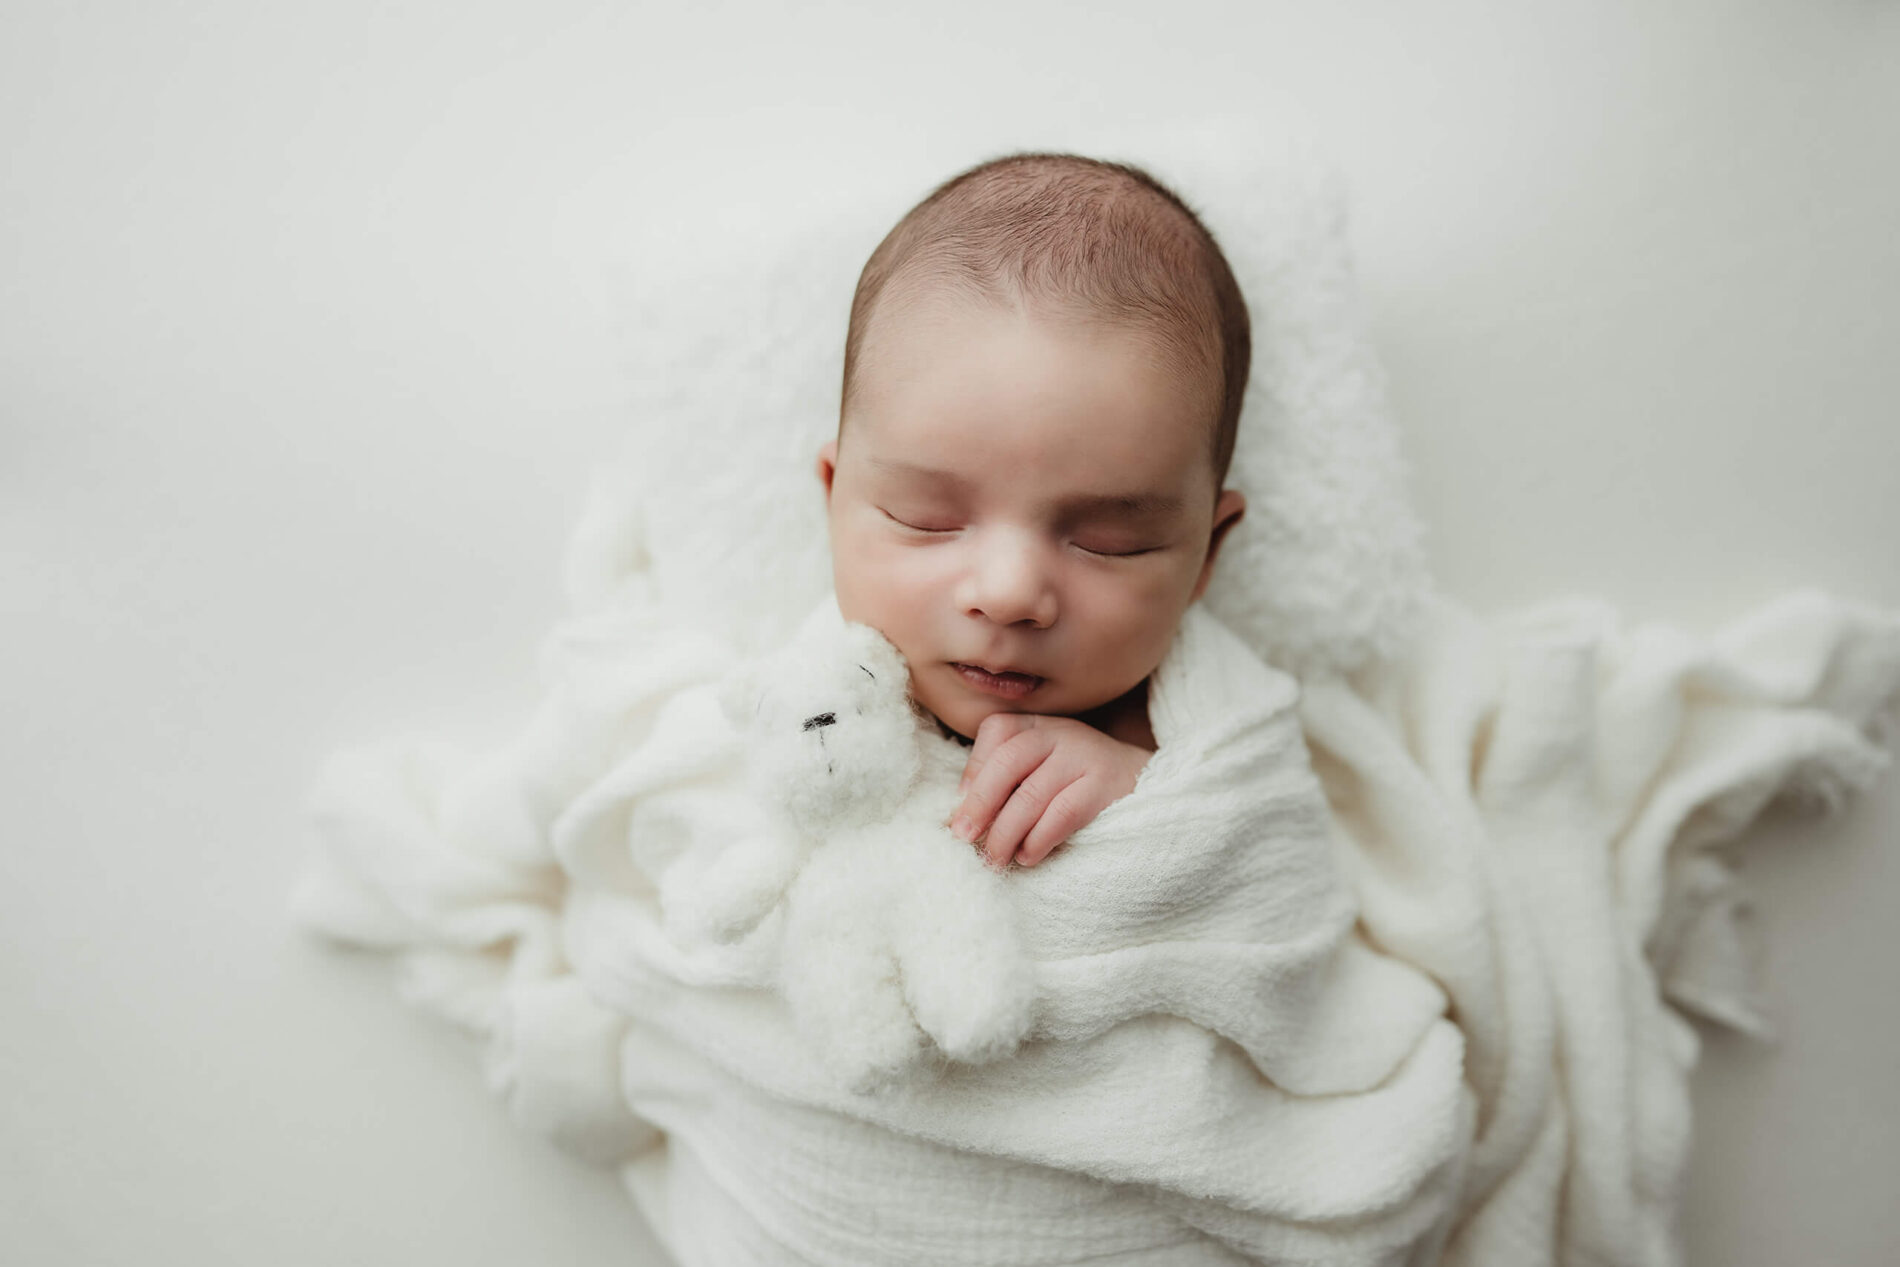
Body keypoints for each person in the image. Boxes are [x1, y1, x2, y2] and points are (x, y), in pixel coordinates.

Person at [815, 151, 1252, 871]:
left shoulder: (1217, 735)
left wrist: (1144, 801)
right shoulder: (788, 703)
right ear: (834, 498)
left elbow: (1278, 884)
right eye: (928, 519)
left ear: (1208, 552)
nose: (1009, 592)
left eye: (1109, 541)